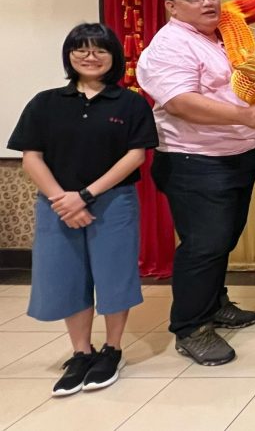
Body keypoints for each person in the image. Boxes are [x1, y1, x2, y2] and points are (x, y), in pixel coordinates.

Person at [8, 23, 158, 396]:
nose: (91, 57)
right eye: (82, 49)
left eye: (100, 50)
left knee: (114, 275)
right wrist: (63, 200)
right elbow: (31, 157)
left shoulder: (130, 103)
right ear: (69, 55)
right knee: (67, 276)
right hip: (56, 204)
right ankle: (81, 351)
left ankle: (112, 349)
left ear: (114, 57)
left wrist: (86, 195)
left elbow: (136, 156)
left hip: (113, 202)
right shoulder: (45, 102)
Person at [137, 0, 255, 366]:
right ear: (172, 6)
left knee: (223, 239)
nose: (209, 3)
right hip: (196, 161)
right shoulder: (170, 45)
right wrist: (242, 116)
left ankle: (214, 303)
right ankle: (190, 327)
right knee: (205, 244)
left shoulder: (223, 35)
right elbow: (180, 102)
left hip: (238, 155)